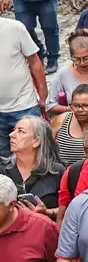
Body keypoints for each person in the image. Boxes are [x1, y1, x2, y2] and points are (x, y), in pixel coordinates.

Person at [0, 13, 47, 156]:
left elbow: (34, 61)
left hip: (25, 105)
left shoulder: (15, 28)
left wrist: (43, 93)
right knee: (4, 160)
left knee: (35, 154)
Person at [1, 116, 63, 219]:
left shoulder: (56, 171)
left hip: (43, 231)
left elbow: (70, 208)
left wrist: (48, 212)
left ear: (36, 141)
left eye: (21, 131)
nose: (11, 135)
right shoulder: (2, 169)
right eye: (14, 130)